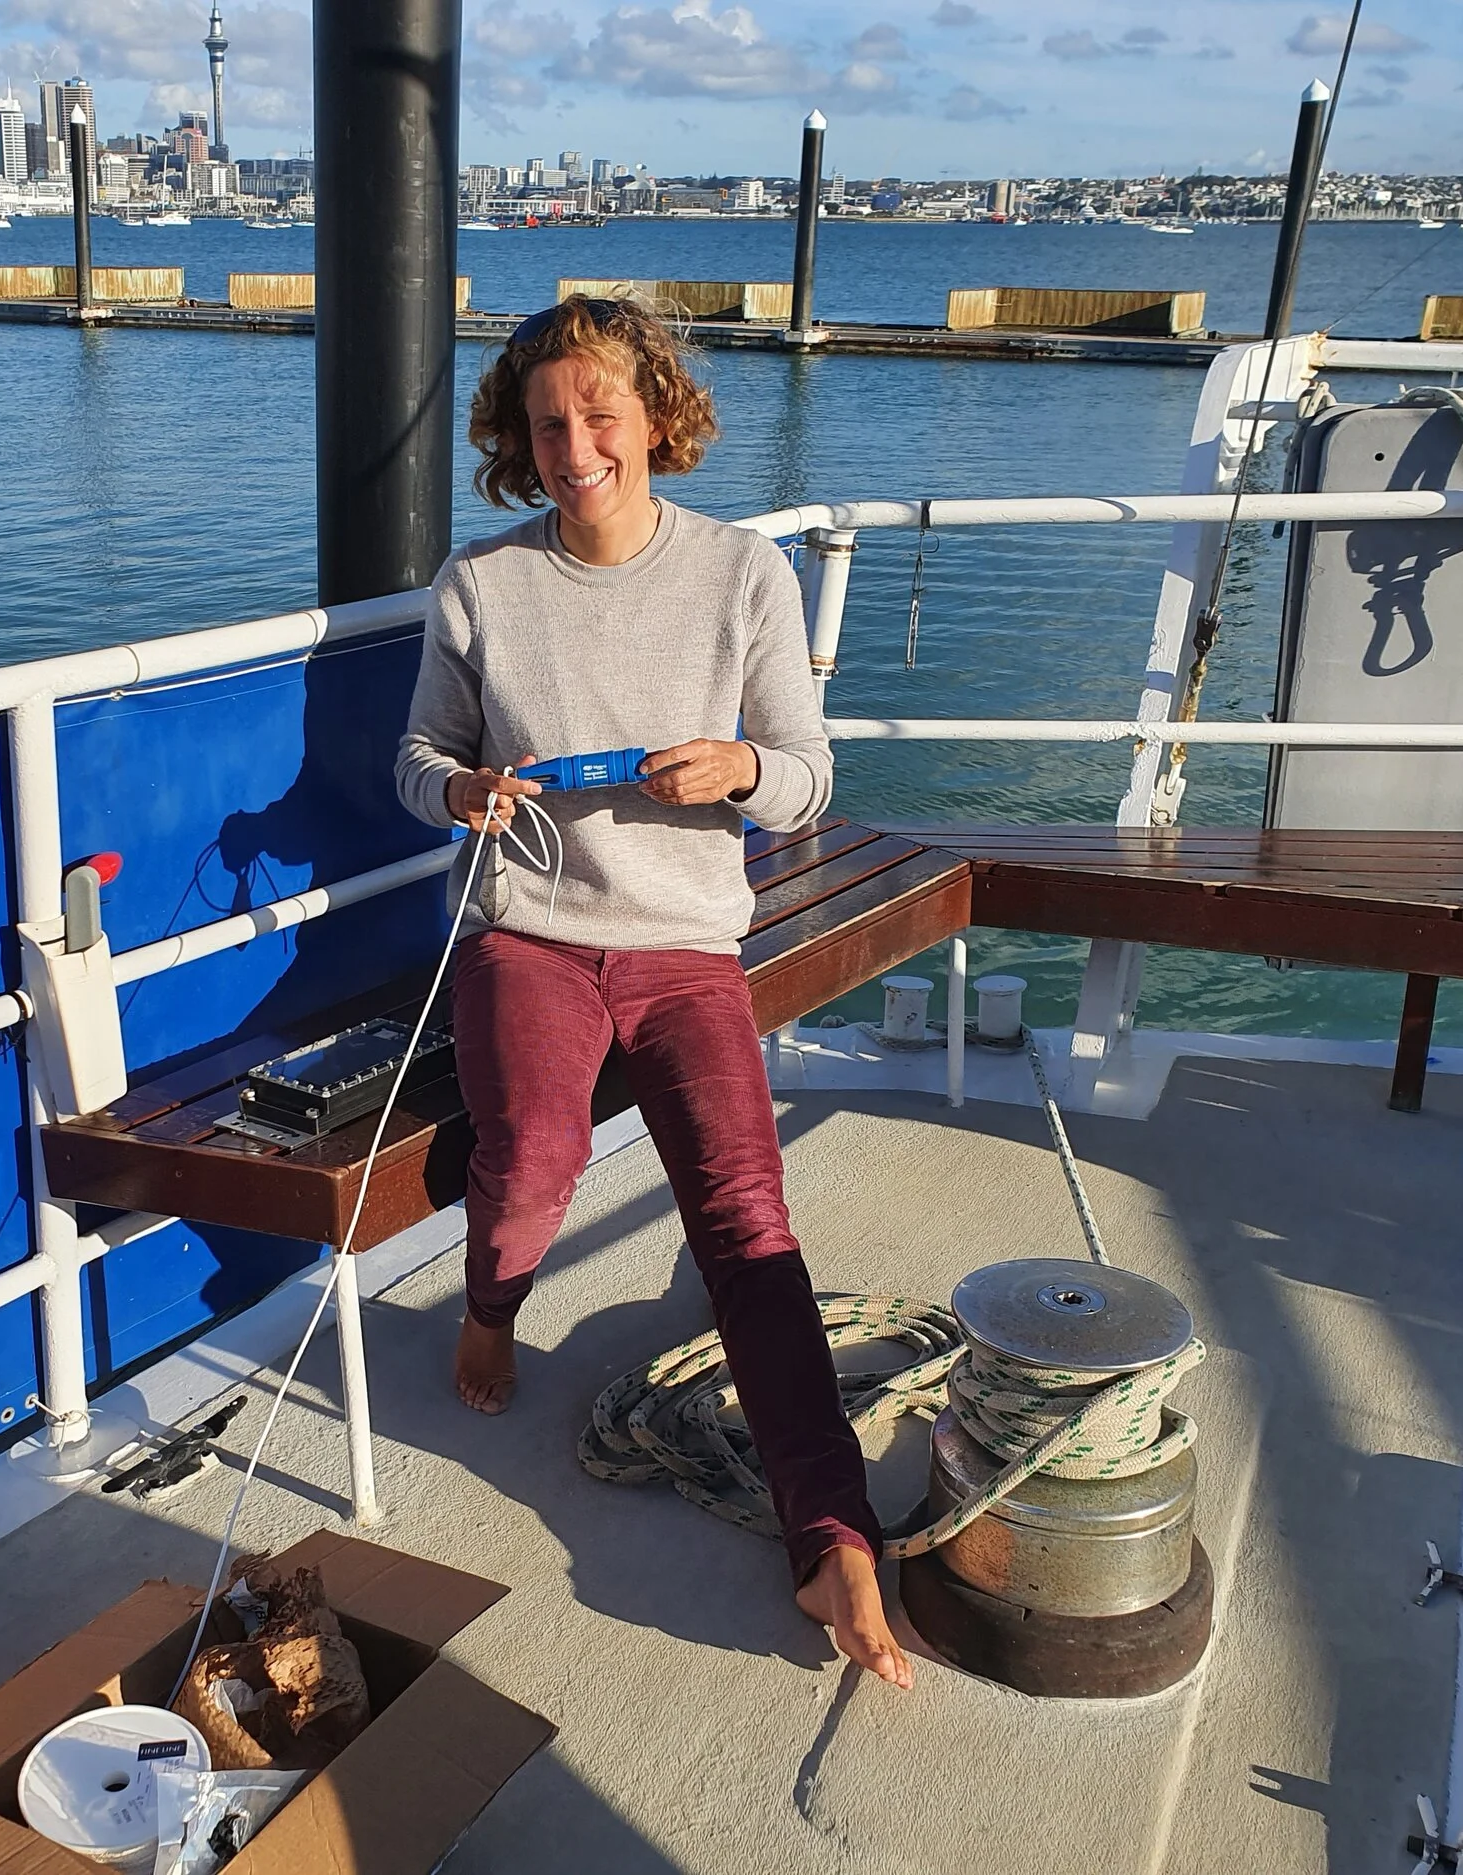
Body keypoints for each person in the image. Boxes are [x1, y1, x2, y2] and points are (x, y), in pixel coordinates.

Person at [393, 295, 910, 1689]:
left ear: (657, 415)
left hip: (687, 944)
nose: (575, 447)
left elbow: (806, 780)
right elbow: (418, 758)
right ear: (518, 436)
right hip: (533, 935)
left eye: (601, 414)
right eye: (547, 423)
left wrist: (738, 771)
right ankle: (491, 1303)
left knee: (745, 1210)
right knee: (538, 1153)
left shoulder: (743, 572)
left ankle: (831, 1532)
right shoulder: (481, 587)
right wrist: (460, 789)